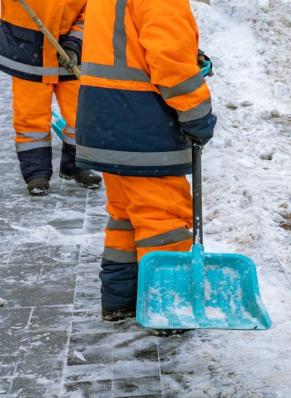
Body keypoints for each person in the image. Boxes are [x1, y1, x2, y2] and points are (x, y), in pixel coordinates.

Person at [75, 0, 216, 321]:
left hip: (107, 119)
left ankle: (119, 302)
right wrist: (198, 114)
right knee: (163, 220)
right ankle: (170, 310)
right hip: (141, 121)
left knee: (125, 216)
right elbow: (170, 62)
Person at [0, 0, 102, 195]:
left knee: (81, 114)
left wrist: (75, 45)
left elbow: (93, 13)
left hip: (70, 55)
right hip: (27, 53)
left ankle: (76, 164)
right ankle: (36, 173)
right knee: (31, 119)